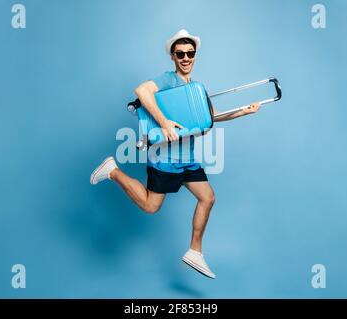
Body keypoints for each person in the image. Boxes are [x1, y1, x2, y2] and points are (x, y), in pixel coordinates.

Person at [90, 29, 261, 279]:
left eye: (190, 53)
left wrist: (242, 112)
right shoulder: (169, 80)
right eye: (180, 53)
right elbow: (141, 91)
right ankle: (113, 171)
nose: (185, 57)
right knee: (151, 206)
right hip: (166, 161)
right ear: (173, 56)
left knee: (208, 198)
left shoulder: (195, 88)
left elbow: (208, 119)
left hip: (187, 159)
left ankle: (195, 251)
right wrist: (164, 122)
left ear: (195, 56)